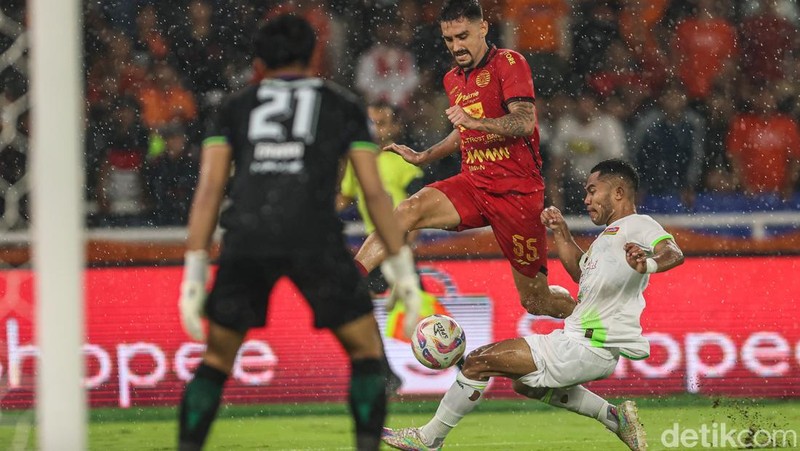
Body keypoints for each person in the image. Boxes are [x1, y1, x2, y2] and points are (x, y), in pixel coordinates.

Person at [175, 15, 422, 451]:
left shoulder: (235, 107)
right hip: (315, 235)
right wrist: (403, 269)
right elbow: (375, 193)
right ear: (313, 54)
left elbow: (210, 191)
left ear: (258, 60)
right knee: (366, 355)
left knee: (215, 361)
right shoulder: (343, 105)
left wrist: (194, 272)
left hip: (248, 235)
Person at [382, 159, 685, 451]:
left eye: (593, 190)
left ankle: (429, 439)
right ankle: (614, 418)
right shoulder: (609, 237)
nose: (586, 197)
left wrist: (648, 264)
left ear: (618, 192)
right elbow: (582, 273)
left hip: (587, 346)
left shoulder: (638, 224)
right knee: (527, 385)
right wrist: (561, 231)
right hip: (579, 341)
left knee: (477, 362)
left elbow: (673, 252)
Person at [353, 0, 576, 320]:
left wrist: (477, 122)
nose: (456, 46)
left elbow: (524, 122)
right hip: (473, 184)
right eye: (449, 39)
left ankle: (596, 317)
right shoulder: (453, 79)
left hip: (517, 195)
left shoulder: (509, 63)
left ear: (483, 28)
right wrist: (424, 156)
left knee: (536, 301)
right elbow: (463, 133)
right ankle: (353, 277)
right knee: (407, 210)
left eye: (462, 36)